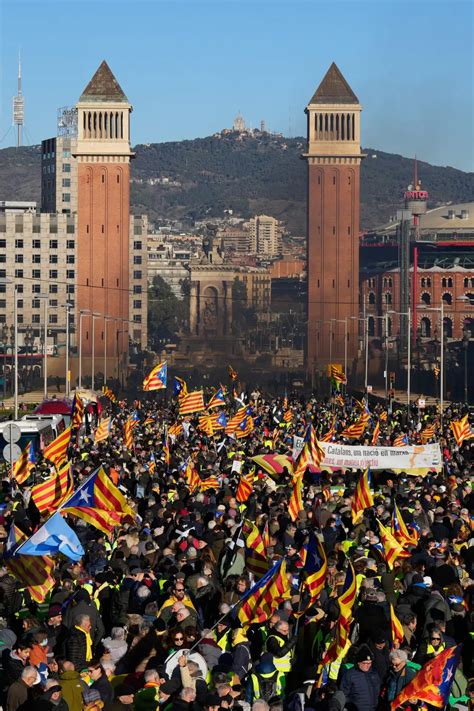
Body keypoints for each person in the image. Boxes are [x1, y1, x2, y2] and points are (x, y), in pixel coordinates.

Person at [340, 645, 381, 711]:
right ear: (358, 662)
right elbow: (343, 694)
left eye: (370, 663)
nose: (368, 666)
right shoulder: (350, 674)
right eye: (365, 663)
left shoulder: (374, 674)